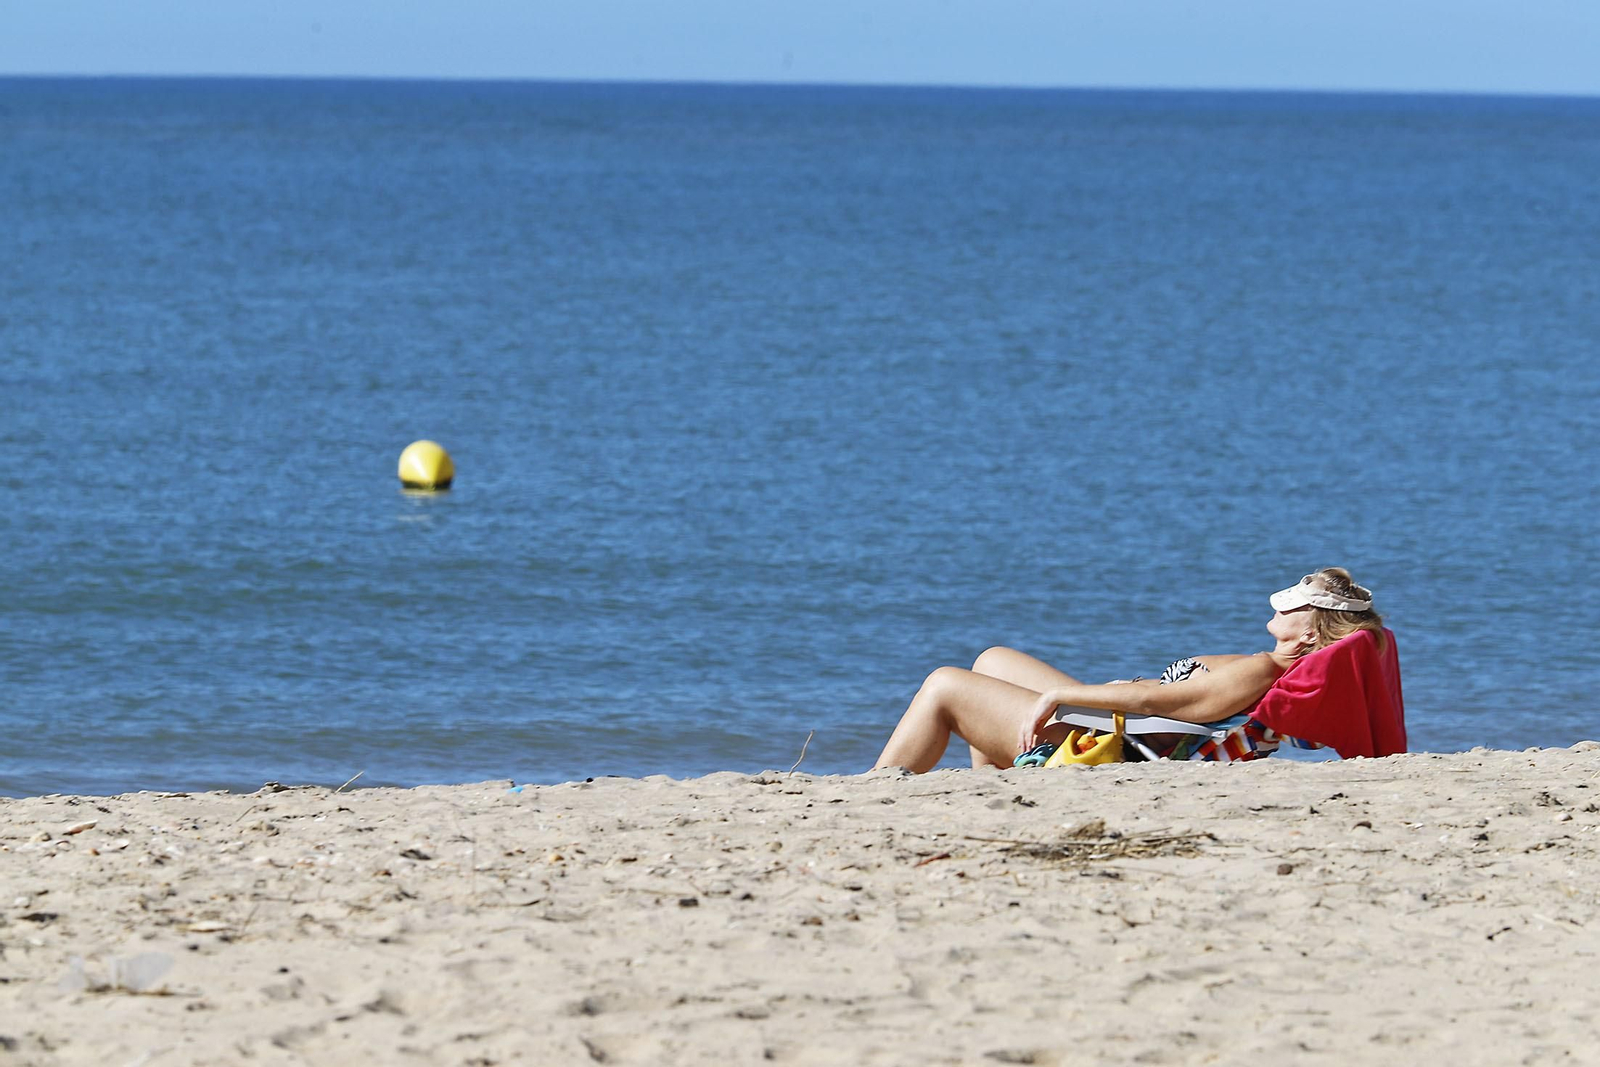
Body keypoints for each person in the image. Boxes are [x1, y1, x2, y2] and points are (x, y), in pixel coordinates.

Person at [872, 567, 1386, 773]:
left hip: (1112, 748)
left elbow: (1162, 704)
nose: (1283, 605)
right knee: (992, 659)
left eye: (1295, 606)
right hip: (1134, 728)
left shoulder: (1257, 672)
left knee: (944, 684)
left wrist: (1055, 695)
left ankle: (880, 786)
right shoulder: (1266, 666)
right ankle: (1000, 783)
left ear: (1311, 633)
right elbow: (1165, 700)